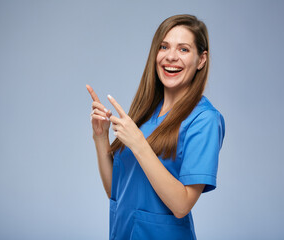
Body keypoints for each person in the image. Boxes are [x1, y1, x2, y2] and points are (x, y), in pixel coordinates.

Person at [86, 14, 225, 240]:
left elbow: (182, 205)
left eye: (183, 49)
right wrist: (100, 137)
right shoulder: (145, 113)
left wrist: (139, 144)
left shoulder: (204, 119)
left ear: (201, 60)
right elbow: (117, 191)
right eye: (164, 47)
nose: (171, 57)